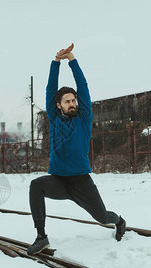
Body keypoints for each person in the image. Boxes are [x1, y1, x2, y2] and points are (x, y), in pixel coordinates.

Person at [27, 44, 126, 255]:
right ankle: (41, 237)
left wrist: (71, 60)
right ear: (58, 106)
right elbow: (50, 90)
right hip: (59, 181)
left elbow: (83, 86)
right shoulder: (53, 119)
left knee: (102, 217)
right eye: (67, 101)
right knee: (36, 185)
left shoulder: (83, 118)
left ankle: (119, 220)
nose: (72, 103)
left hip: (81, 181)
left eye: (73, 100)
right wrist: (56, 62)